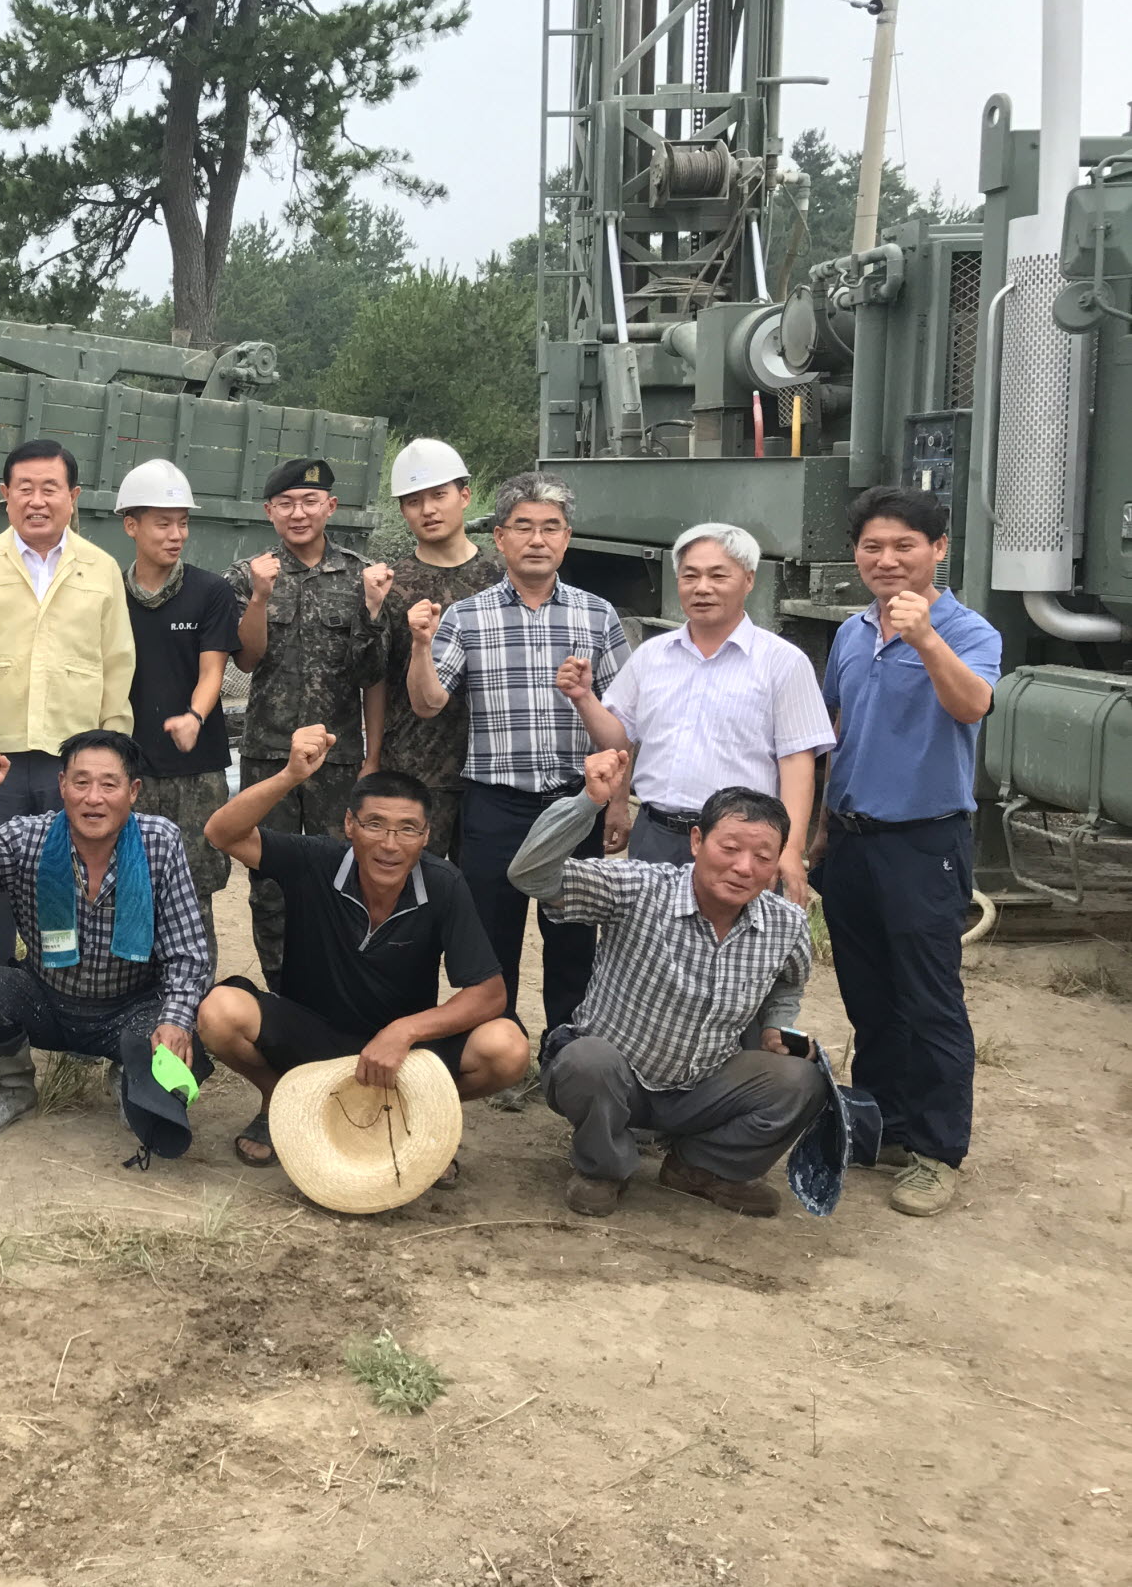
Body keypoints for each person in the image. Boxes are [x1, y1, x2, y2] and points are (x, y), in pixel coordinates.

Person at [510, 749, 825, 1219]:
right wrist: (587, 803)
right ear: (697, 841)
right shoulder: (640, 888)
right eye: (730, 848)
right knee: (586, 1059)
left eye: (763, 856)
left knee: (802, 1081)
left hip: (704, 1085)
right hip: (616, 1079)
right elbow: (529, 874)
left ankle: (699, 1168)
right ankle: (604, 1167)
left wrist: (777, 1026)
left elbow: (788, 982)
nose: (744, 867)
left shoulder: (786, 923)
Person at [199, 725, 525, 1173]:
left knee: (507, 1048)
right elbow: (221, 832)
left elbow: (490, 994)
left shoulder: (444, 884)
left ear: (426, 835)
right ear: (350, 825)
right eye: (375, 825)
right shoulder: (317, 860)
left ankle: (418, 1110)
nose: (390, 844)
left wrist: (404, 1031)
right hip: (311, 1037)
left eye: (407, 829)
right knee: (219, 1012)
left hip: (402, 1056)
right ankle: (282, 1096)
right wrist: (291, 775)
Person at [812, 485, 1000, 1219]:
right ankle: (885, 1126)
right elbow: (835, 733)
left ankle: (937, 1150)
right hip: (851, 839)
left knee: (930, 1000)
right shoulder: (851, 633)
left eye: (904, 546)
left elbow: (972, 705)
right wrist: (820, 829)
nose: (886, 559)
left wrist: (925, 639)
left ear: (938, 549)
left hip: (925, 842)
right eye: (873, 546)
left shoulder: (967, 631)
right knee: (869, 996)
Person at [0, 731, 215, 1164]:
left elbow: (187, 950)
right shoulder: (29, 837)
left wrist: (174, 1020)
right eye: (81, 782)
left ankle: (128, 1072)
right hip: (50, 1002)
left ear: (133, 791)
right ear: (62, 785)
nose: (93, 798)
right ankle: (15, 1088)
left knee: (185, 1041)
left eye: (109, 784)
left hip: (132, 1008)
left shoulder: (160, 840)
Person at [408, 471, 628, 1040]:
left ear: (567, 539)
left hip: (576, 804)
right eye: (523, 527)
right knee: (490, 939)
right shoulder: (467, 616)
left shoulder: (597, 615)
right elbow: (429, 703)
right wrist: (421, 646)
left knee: (573, 938)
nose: (537, 539)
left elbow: (623, 729)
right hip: (495, 805)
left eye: (551, 528)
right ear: (500, 538)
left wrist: (618, 805)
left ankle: (566, 1053)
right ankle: (496, 1051)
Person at [0, 438, 135, 973]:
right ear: (6, 495)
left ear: (73, 497)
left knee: (67, 874)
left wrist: (113, 749)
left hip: (73, 757)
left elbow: (117, 662)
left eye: (50, 488)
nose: (37, 501)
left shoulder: (100, 568)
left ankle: (60, 987)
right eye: (25, 489)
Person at [557, 523, 831, 899]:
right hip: (657, 836)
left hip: (740, 846)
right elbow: (618, 740)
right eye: (690, 576)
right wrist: (583, 697)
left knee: (732, 937)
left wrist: (791, 847)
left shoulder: (782, 662)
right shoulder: (652, 656)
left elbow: (796, 762)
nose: (702, 587)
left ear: (749, 580)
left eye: (718, 576)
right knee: (647, 933)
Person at [223, 458, 392, 988]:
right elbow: (246, 659)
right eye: (286, 504)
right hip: (268, 755)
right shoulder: (248, 574)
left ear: (330, 507)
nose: (299, 514)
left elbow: (373, 675)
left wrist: (372, 757)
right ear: (269, 511)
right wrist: (259, 596)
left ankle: (334, 987)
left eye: (310, 502)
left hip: (337, 760)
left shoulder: (362, 574)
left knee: (342, 875)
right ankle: (282, 989)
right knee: (269, 880)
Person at [361, 439, 501, 863]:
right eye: (414, 501)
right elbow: (375, 680)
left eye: (439, 495)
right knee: (414, 884)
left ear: (464, 496)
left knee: (482, 891)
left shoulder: (502, 577)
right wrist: (373, 757)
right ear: (403, 511)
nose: (428, 510)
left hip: (492, 768)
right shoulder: (391, 585)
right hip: (415, 767)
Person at [117, 460, 241, 935]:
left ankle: (194, 983)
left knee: (194, 892)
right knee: (130, 885)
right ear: (131, 525)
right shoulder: (110, 593)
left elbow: (213, 671)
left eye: (183, 523)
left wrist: (194, 716)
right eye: (163, 523)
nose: (176, 535)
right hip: (130, 768)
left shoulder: (210, 591)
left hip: (196, 769)